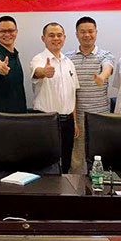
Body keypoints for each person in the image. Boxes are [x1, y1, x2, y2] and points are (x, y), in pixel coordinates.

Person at [66, 16, 114, 174]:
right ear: (77, 34)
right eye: (83, 32)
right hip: (78, 118)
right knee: (77, 160)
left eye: (90, 31)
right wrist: (73, 120)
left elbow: (108, 68)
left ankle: (101, 188)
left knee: (101, 159)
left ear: (96, 33)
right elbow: (70, 92)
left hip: (101, 117)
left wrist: (102, 77)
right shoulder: (68, 58)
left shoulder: (105, 55)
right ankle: (76, 188)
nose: (87, 35)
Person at [30, 23, 80, 174]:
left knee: (66, 163)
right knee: (46, 164)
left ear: (64, 38)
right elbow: (37, 72)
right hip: (46, 121)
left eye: (59, 35)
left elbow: (72, 94)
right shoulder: (38, 59)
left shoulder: (69, 62)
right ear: (43, 38)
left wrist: (75, 121)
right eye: (51, 35)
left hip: (68, 122)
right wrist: (44, 72)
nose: (56, 38)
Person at [0, 15, 26, 113]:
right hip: (0, 117)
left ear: (16, 32)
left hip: (19, 114)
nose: (7, 34)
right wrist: (0, 66)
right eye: (2, 31)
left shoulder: (15, 54)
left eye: (11, 30)